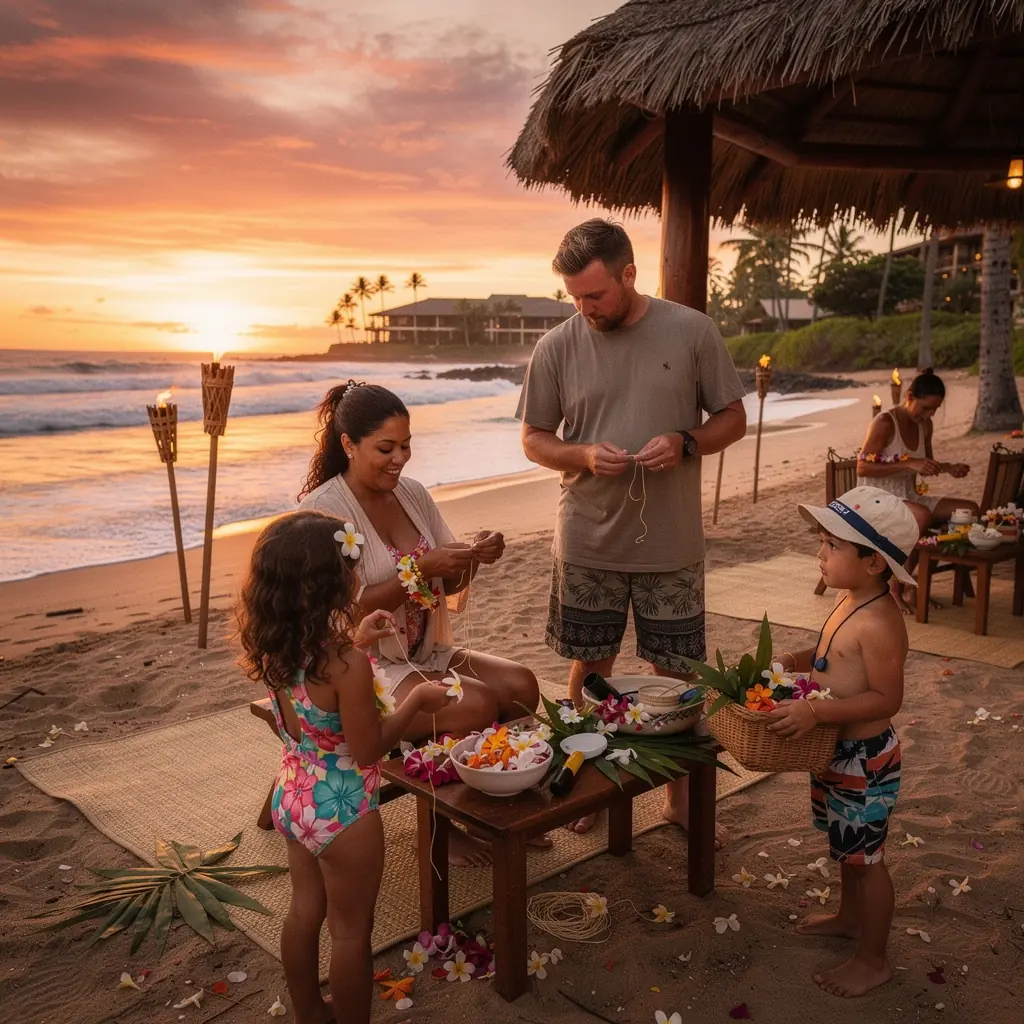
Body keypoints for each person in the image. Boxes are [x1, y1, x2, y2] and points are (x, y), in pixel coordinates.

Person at [516, 218, 747, 834]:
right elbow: (535, 440)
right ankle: (584, 786)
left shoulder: (692, 330)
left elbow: (733, 418)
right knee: (591, 669)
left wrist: (687, 441)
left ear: (629, 275)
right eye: (575, 297)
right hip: (587, 537)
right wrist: (583, 454)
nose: (585, 307)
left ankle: (672, 798)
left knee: (674, 677)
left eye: (596, 294)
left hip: (671, 542)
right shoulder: (556, 347)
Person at [298, 380, 542, 863]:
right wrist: (422, 569)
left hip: (425, 651)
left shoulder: (411, 494)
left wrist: (474, 555)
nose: (400, 459)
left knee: (520, 685)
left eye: (406, 446)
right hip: (362, 665)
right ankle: (437, 827)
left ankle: (495, 804)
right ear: (348, 444)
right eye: (385, 448)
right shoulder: (322, 510)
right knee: (472, 704)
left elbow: (447, 585)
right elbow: (338, 616)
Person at [236, 510, 455, 1024]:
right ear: (331, 584)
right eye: (350, 566)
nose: (357, 575)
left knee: (303, 912)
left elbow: (317, 703)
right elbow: (368, 749)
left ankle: (311, 1012)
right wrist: (417, 700)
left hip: (294, 796)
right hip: (345, 811)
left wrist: (358, 641)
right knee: (351, 931)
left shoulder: (276, 647)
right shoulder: (346, 666)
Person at [767, 485, 918, 998]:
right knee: (847, 850)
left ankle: (873, 959)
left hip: (866, 760)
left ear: (874, 562)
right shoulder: (849, 599)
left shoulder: (880, 622)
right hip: (836, 753)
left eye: (833, 546)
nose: (821, 554)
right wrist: (795, 658)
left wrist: (817, 710)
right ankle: (850, 918)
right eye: (823, 543)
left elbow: (885, 698)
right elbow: (830, 652)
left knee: (868, 860)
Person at [857, 369, 975, 612]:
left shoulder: (925, 426)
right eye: (925, 408)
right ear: (909, 396)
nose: (929, 414)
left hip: (909, 496)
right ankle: (895, 588)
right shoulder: (885, 422)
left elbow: (925, 465)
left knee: (969, 510)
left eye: (934, 409)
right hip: (876, 497)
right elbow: (862, 466)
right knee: (921, 515)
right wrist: (908, 463)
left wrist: (947, 468)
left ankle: (910, 583)